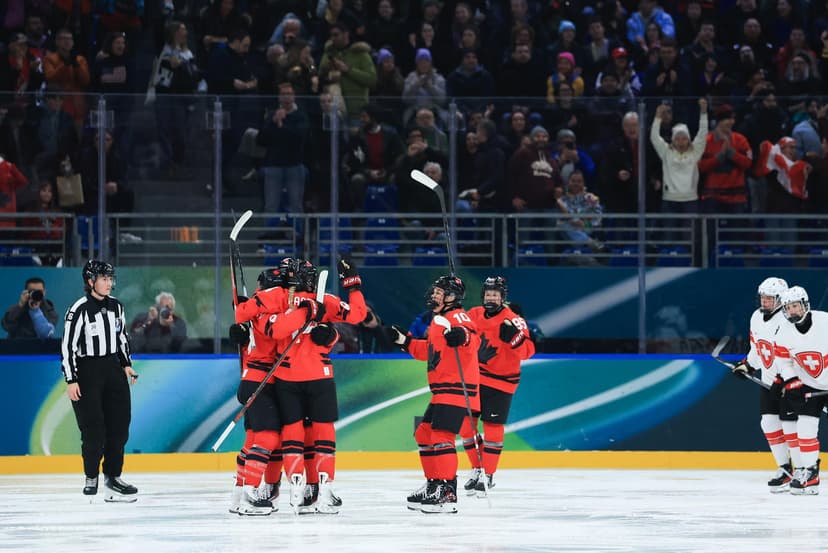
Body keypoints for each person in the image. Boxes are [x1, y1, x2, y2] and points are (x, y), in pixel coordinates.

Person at [235, 258, 367, 514]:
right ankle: (304, 488)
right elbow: (358, 314)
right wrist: (352, 286)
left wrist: (331, 332)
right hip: (305, 376)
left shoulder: (280, 296)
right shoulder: (305, 298)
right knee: (307, 434)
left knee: (293, 434)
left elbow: (253, 318)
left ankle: (303, 489)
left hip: (288, 378)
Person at [383, 275, 480, 513]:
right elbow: (430, 350)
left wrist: (463, 337)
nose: (434, 295)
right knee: (424, 433)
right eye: (435, 291)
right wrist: (405, 341)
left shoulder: (457, 316)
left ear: (451, 297)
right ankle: (434, 484)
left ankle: (447, 492)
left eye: (439, 291)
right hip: (442, 390)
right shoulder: (439, 320)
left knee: (441, 436)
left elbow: (473, 338)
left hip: (457, 387)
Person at [61, 260, 138, 501]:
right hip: (87, 372)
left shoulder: (117, 307)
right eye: (103, 279)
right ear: (90, 281)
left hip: (113, 369)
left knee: (119, 426)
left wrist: (126, 364)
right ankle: (91, 476)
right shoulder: (79, 309)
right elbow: (67, 347)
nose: (108, 283)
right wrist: (71, 379)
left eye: (110, 279)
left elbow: (122, 337)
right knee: (94, 429)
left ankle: (113, 477)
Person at [226, 265, 292, 515]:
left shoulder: (258, 307)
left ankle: (239, 493)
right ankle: (250, 495)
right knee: (267, 439)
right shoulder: (272, 305)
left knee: (253, 440)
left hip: (252, 380)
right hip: (261, 381)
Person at [461, 276, 535, 494]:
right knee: (466, 426)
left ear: (503, 297)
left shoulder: (514, 320)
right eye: (488, 293)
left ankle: (488, 473)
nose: (490, 297)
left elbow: (528, 352)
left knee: (492, 429)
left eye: (495, 294)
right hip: (474, 378)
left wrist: (514, 338)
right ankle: (477, 468)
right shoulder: (473, 314)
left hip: (502, 382)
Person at [731, 277, 796, 492]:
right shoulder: (756, 317)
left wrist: (784, 379)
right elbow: (757, 348)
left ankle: (806, 469)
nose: (764, 302)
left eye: (769, 298)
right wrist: (747, 365)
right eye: (763, 297)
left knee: (792, 428)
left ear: (780, 299)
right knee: (768, 424)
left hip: (789, 383)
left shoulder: (789, 320)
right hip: (768, 382)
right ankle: (785, 469)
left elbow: (794, 354)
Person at [774, 285, 828, 494]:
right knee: (805, 429)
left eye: (795, 306)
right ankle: (811, 474)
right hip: (810, 384)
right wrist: (791, 380)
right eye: (788, 307)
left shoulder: (824, 321)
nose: (792, 311)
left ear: (805, 305)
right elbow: (782, 360)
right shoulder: (784, 331)